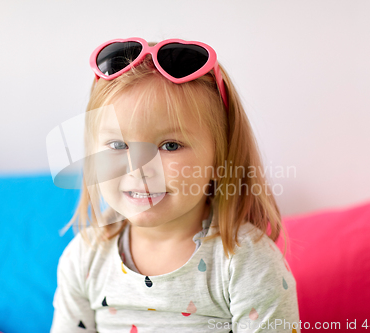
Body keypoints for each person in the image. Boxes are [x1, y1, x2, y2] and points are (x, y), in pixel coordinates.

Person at [50, 37, 301, 333]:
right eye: (118, 144)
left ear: (220, 159)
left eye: (170, 145)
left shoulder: (247, 265)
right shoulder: (85, 257)